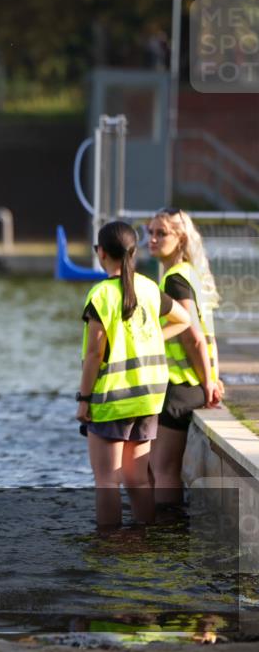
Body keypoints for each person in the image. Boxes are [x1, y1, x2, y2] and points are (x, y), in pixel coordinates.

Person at [76, 221, 192, 528]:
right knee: (137, 478)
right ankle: (145, 540)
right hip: (148, 398)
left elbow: (93, 355)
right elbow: (183, 319)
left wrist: (84, 400)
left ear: (101, 253)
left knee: (106, 481)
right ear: (133, 252)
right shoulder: (149, 287)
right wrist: (151, 338)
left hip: (112, 398)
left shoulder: (101, 295)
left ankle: (109, 547)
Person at [147, 208, 222, 506]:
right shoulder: (191, 274)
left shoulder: (175, 280)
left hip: (180, 387)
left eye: (161, 233)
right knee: (156, 469)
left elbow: (192, 336)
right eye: (150, 232)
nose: (152, 239)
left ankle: (167, 536)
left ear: (180, 239)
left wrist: (207, 384)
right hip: (190, 383)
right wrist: (211, 378)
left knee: (163, 470)